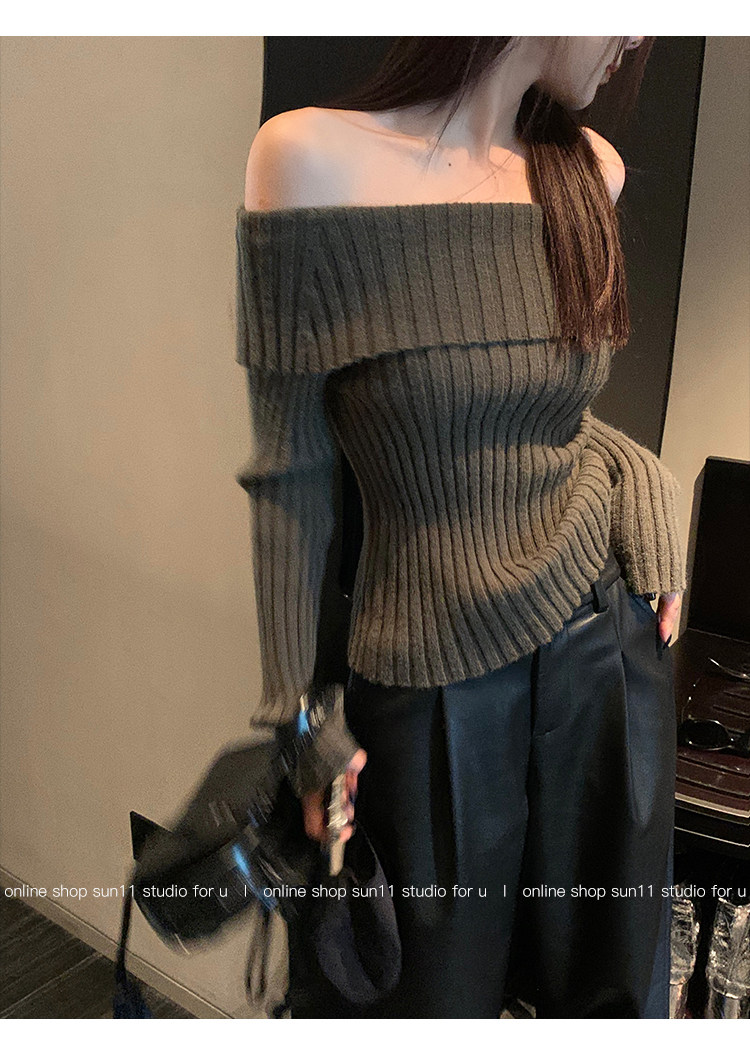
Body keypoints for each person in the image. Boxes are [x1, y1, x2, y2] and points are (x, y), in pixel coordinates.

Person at [234, 36, 686, 1018]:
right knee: (419, 1009)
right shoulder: (307, 162)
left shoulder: (589, 171)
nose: (639, 36)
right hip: (429, 685)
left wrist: (643, 478)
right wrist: (298, 720)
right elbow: (290, 478)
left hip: (603, 656)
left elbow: (548, 415)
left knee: (608, 1006)